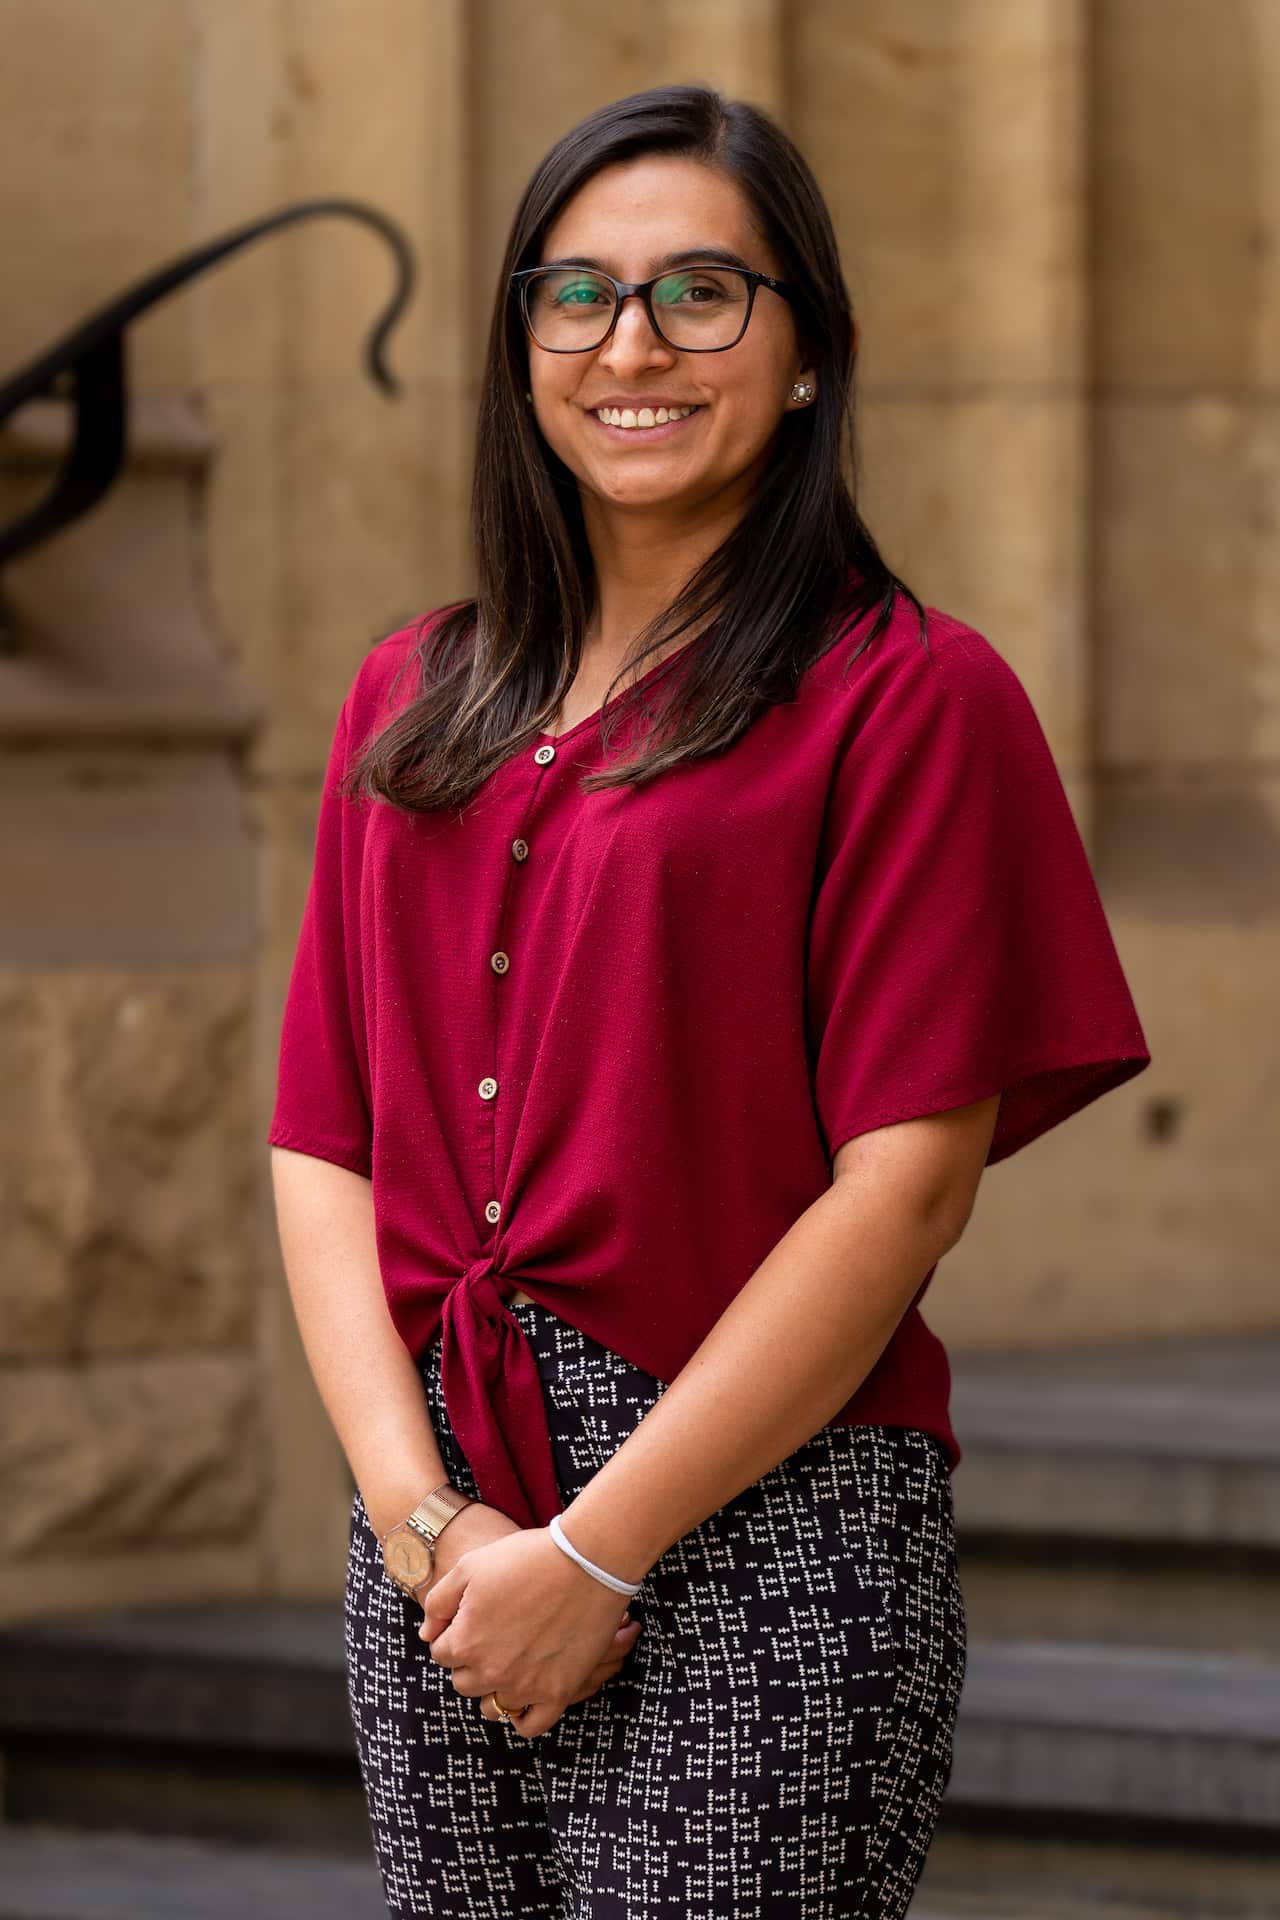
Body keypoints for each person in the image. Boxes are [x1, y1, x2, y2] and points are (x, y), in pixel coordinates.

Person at [268, 84, 1150, 1920]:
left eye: (700, 293)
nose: (630, 346)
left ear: (810, 348)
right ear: (524, 350)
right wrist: (427, 1521)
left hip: (763, 1518)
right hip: (445, 1528)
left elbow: (904, 1187)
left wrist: (598, 1550)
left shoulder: (912, 699)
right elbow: (324, 1144)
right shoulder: (410, 698)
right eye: (574, 296)